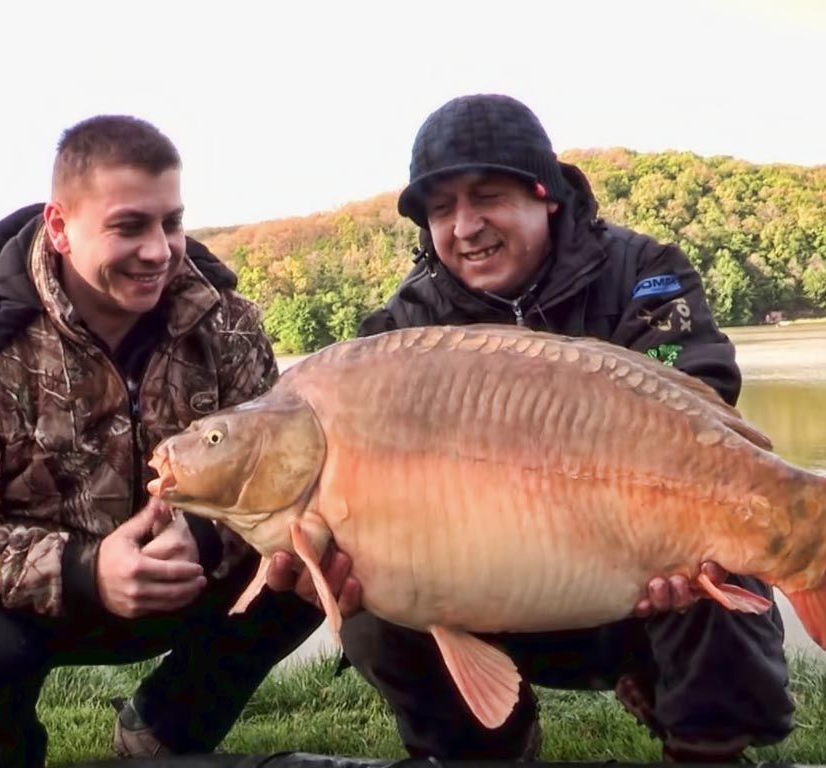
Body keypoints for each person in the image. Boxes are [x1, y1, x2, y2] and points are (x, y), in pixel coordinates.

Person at [336, 94, 796, 763]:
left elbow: (703, 402)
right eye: (441, 210)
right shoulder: (405, 329)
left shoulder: (643, 272)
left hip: (632, 572)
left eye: (486, 196)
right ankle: (492, 741)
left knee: (718, 563)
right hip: (485, 591)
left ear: (545, 193)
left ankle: (702, 743)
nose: (465, 227)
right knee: (371, 611)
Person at [0, 115, 357, 768]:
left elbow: (287, 471)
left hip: (190, 576)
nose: (158, 250)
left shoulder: (225, 322)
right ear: (60, 227)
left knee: (303, 572)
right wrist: (86, 571)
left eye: (170, 223)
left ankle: (167, 727)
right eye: (129, 226)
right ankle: (9, 732)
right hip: (39, 601)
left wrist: (202, 537)